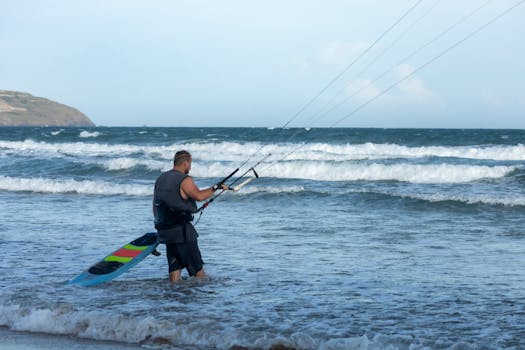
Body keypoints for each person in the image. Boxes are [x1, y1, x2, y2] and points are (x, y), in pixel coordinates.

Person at [153, 150, 227, 282]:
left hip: (167, 232)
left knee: (174, 274)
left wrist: (159, 229)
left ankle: (175, 299)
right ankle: (200, 300)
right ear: (186, 163)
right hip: (183, 234)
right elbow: (199, 196)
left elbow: (156, 205)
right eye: (190, 163)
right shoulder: (184, 179)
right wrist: (215, 188)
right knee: (199, 274)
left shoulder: (161, 178)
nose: (190, 167)